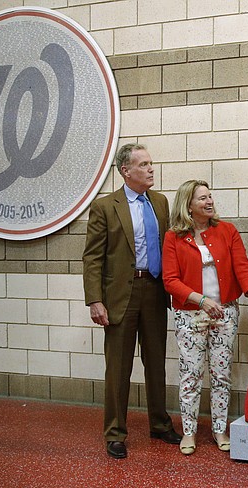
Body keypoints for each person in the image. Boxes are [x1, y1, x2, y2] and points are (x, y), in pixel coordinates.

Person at [83, 143, 181, 459]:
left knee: (156, 363)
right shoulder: (105, 207)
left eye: (152, 163)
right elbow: (92, 257)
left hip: (154, 290)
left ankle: (160, 423)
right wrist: (95, 300)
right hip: (119, 296)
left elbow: (170, 249)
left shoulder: (161, 203)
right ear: (126, 171)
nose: (151, 169)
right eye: (144, 164)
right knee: (118, 367)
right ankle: (115, 432)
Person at [162, 180, 248, 456]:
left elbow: (243, 267)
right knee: (191, 374)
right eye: (202, 199)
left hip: (225, 313)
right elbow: (170, 281)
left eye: (210, 196)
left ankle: (219, 429)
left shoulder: (227, 231)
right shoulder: (173, 237)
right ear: (188, 206)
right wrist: (201, 300)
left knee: (221, 375)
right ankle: (188, 432)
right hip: (190, 315)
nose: (209, 202)